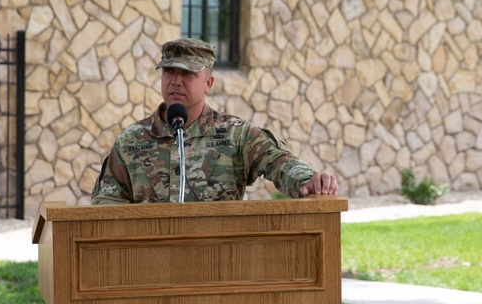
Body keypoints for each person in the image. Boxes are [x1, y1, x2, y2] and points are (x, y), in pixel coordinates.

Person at [91, 38, 339, 204]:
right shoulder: (132, 141)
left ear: (208, 83)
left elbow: (279, 162)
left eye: (187, 73)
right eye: (169, 72)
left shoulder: (236, 135)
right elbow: (106, 205)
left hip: (218, 266)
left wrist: (309, 181)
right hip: (147, 268)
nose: (175, 81)